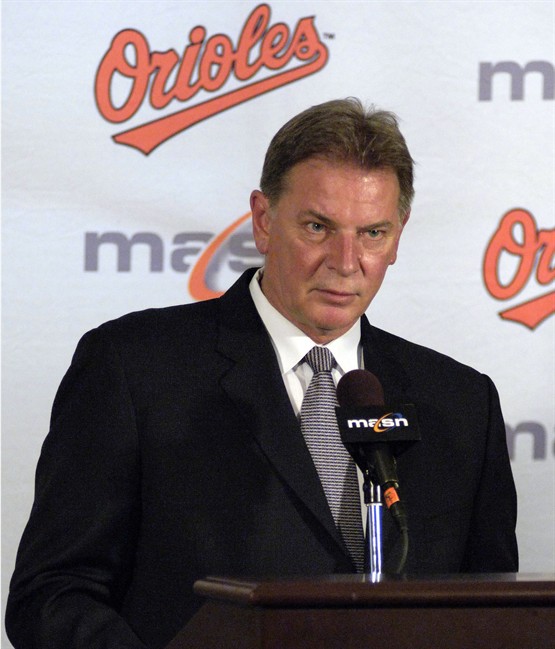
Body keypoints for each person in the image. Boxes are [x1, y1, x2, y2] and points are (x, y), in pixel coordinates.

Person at [6, 98, 518, 649]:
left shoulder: (463, 403)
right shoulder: (134, 368)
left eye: (372, 233)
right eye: (318, 226)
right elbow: (53, 592)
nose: (346, 262)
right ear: (263, 220)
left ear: (398, 234)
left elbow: (494, 611)